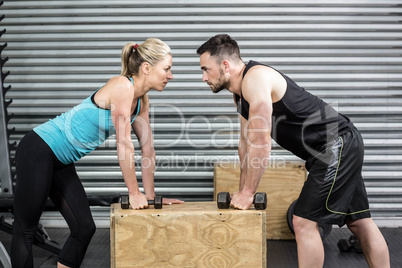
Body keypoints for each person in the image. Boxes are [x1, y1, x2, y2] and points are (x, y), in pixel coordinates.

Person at [196, 34, 390, 268]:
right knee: (359, 221)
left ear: (225, 65)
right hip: (337, 145)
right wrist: (241, 192)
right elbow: (245, 145)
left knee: (303, 221)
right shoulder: (240, 96)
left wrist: (249, 193)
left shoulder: (255, 79)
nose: (204, 77)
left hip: (336, 144)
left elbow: (260, 142)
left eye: (206, 69)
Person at [11, 38, 184, 268]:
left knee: (84, 228)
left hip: (59, 161)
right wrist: (134, 193)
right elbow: (124, 144)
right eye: (167, 69)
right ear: (146, 68)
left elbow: (147, 148)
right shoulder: (123, 86)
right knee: (26, 229)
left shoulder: (141, 101)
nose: (170, 75)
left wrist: (150, 197)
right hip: (39, 147)